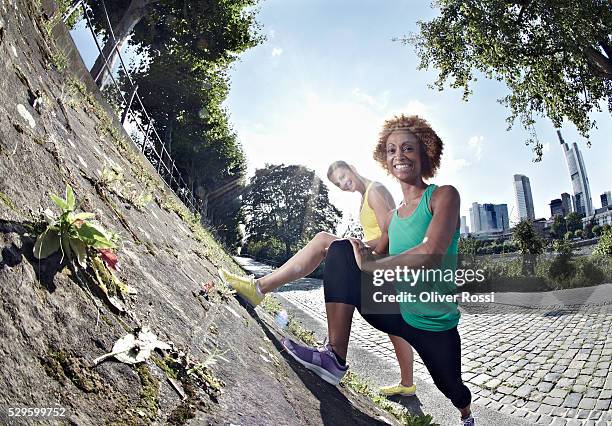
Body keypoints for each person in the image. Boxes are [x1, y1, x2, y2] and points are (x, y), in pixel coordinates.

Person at [281, 115, 474, 425]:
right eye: (391, 150)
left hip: (434, 322)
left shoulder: (443, 195)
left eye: (408, 148)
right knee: (342, 249)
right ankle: (334, 357)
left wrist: (374, 263)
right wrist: (360, 250)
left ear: (424, 153)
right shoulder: (395, 216)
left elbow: (431, 251)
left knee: (452, 388)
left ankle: (466, 415)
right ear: (385, 160)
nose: (399, 156)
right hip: (394, 308)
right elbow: (373, 250)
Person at [219, 161, 416, 396]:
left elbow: (391, 237)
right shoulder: (365, 196)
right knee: (394, 325)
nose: (343, 183)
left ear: (352, 168)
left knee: (324, 240)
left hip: (381, 265)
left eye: (343, 176)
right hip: (379, 266)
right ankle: (408, 385)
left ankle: (259, 288)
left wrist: (356, 244)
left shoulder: (375, 190)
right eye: (338, 183)